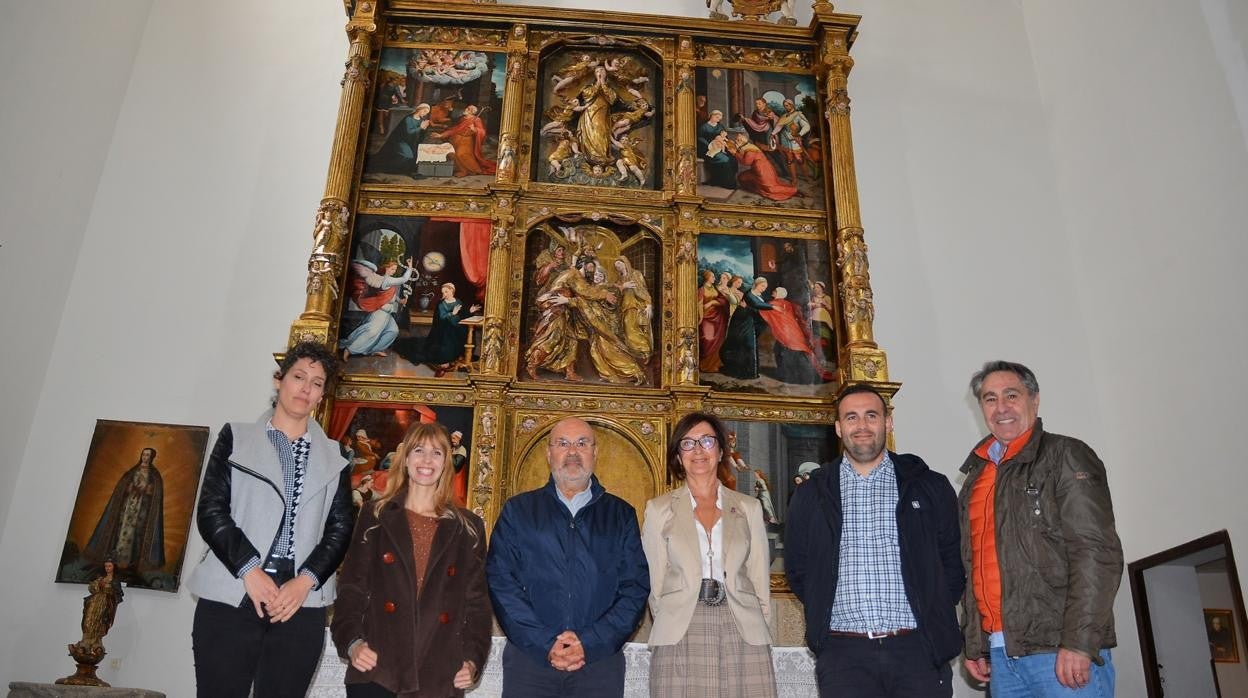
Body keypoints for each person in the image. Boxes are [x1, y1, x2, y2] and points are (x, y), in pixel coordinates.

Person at [187, 342, 353, 698]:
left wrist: (304, 581)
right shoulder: (237, 437)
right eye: (298, 377)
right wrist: (249, 569)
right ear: (279, 381)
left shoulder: (337, 456)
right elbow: (211, 510)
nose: (306, 388)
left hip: (300, 602)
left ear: (322, 396)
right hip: (233, 592)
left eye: (317, 383)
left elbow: (339, 530)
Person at [785, 383, 964, 697]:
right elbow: (799, 571)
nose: (862, 425)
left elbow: (953, 562)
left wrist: (931, 609)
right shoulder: (810, 494)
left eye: (871, 415)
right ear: (839, 428)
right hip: (843, 657)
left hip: (918, 650)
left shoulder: (929, 485)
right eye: (851, 418)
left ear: (888, 422)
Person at [959, 361, 1123, 696]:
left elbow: (1096, 552)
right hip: (1002, 655)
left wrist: (1078, 642)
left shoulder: (1066, 455)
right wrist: (975, 643)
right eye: (990, 399)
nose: (1001, 407)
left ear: (1034, 400)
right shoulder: (976, 478)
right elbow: (972, 565)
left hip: (1059, 651)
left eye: (1011, 395)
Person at [485, 417, 649, 697]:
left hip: (599, 664)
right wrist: (545, 642)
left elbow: (635, 588)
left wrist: (589, 642)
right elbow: (501, 582)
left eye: (582, 443)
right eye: (562, 443)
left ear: (595, 453)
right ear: (549, 454)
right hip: (530, 663)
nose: (572, 452)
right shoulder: (518, 511)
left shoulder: (620, 515)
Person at [331, 422, 492, 697]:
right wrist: (353, 642)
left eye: (437, 453)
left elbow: (477, 603)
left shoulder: (468, 527)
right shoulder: (375, 516)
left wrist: (472, 659)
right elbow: (351, 588)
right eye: (419, 450)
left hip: (440, 673)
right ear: (405, 458)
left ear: (446, 463)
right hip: (378, 667)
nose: (427, 460)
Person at [642, 412, 776, 697]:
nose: (698, 450)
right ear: (678, 456)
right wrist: (676, 615)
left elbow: (759, 580)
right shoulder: (659, 509)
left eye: (706, 441)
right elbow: (655, 586)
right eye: (688, 444)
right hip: (681, 628)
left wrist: (759, 627)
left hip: (742, 626)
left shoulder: (749, 508)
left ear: (720, 450)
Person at [83, 447, 165, 580]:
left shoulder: (154, 476)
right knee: (121, 533)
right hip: (127, 509)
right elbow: (122, 488)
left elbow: (156, 494)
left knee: (136, 535)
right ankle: (115, 562)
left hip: (142, 511)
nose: (145, 457)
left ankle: (131, 564)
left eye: (148, 455)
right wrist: (130, 488)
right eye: (144, 454)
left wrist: (148, 491)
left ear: (152, 457)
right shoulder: (132, 472)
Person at [339, 256, 417, 360]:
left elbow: (390, 295)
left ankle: (375, 349)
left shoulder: (387, 281)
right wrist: (410, 267)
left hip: (387, 314)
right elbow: (404, 279)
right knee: (372, 332)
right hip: (381, 313)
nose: (394, 271)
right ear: (386, 268)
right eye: (392, 269)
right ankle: (349, 349)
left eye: (395, 269)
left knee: (393, 331)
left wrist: (400, 300)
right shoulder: (387, 280)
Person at [726, 130, 797, 202]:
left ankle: (793, 190)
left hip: (763, 171)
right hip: (755, 170)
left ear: (741, 142)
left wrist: (735, 153)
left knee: (770, 189)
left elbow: (746, 162)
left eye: (737, 140)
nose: (736, 142)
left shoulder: (750, 150)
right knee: (742, 177)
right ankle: (757, 188)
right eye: (736, 140)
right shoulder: (747, 146)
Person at [430, 105, 496, 177]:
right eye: (466, 108)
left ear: (471, 112)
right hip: (456, 140)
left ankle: (471, 170)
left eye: (467, 109)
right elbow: (455, 129)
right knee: (453, 154)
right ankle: (462, 170)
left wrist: (474, 129)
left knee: (460, 154)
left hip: (467, 141)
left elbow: (482, 131)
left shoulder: (477, 120)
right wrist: (441, 135)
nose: (465, 109)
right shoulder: (463, 119)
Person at [369, 103, 432, 177]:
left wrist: (424, 129)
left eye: (426, 113)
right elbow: (408, 132)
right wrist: (420, 128)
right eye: (424, 111)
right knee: (408, 156)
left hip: (411, 142)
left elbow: (419, 135)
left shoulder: (421, 120)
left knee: (413, 156)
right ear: (419, 109)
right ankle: (389, 168)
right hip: (400, 141)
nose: (425, 114)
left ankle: (404, 169)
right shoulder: (408, 119)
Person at [76, 559, 124, 653]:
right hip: (94, 602)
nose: (107, 568)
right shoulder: (101, 578)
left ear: (114, 567)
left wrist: (107, 588)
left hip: (105, 604)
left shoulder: (115, 581)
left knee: (99, 622)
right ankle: (85, 641)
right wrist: (98, 585)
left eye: (109, 566)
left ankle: (95, 642)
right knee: (88, 620)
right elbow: (91, 588)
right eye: (106, 566)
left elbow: (117, 594)